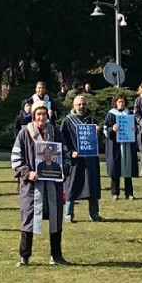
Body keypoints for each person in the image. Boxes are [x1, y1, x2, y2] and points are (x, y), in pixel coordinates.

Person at [13, 101, 70, 266]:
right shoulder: (24, 134)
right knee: (28, 219)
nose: (41, 117)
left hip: (53, 185)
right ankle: (24, 256)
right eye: (38, 114)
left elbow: (65, 156)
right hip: (31, 186)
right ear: (33, 115)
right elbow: (16, 158)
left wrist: (63, 170)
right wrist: (27, 172)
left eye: (44, 114)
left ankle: (56, 256)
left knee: (56, 218)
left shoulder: (56, 133)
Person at [60, 94, 103, 223]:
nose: (82, 107)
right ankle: (69, 214)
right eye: (79, 104)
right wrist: (70, 152)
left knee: (92, 186)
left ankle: (94, 214)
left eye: (83, 104)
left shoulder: (92, 120)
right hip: (75, 160)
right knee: (71, 186)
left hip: (90, 159)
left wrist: (98, 132)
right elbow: (62, 141)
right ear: (74, 105)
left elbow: (100, 143)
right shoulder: (67, 121)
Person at [103, 93, 138, 200]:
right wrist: (112, 130)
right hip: (115, 146)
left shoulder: (129, 113)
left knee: (128, 169)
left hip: (127, 145)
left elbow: (135, 126)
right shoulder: (111, 114)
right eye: (119, 102)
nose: (121, 104)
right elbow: (105, 129)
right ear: (115, 103)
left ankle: (129, 193)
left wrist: (134, 129)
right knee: (115, 169)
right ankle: (115, 193)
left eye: (123, 102)